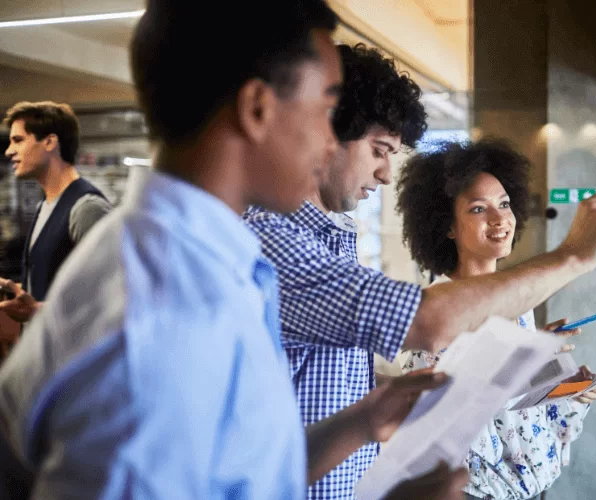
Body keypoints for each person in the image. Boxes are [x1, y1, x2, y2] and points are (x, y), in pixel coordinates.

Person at [0, 1, 467, 498]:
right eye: (325, 113)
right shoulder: (168, 306)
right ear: (257, 109)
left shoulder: (213, 264)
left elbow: (239, 473)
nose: (331, 144)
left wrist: (363, 422)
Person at [244, 43, 596, 499]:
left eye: (505, 204)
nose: (385, 174)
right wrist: (572, 255)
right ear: (324, 134)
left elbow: (321, 382)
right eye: (379, 150)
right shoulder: (272, 243)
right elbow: (426, 322)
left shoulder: (329, 241)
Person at [397, 139, 596, 500]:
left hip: (532, 488)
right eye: (479, 209)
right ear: (448, 226)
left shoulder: (517, 300)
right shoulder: (440, 311)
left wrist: (562, 386)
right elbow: (435, 422)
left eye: (505, 204)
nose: (500, 219)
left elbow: (514, 404)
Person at [0, 101, 111, 323]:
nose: (9, 151)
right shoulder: (45, 206)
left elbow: (110, 291)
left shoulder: (86, 207)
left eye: (18, 140)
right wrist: (19, 292)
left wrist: (39, 311)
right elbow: (50, 284)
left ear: (50, 142)